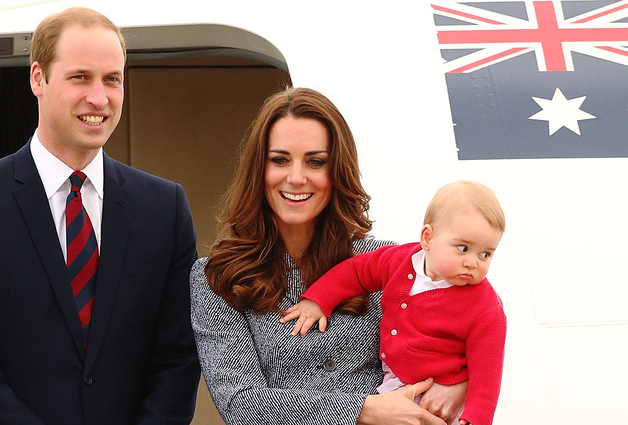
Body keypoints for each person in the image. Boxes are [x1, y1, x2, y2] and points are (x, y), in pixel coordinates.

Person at [0, 7, 200, 425]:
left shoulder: (164, 208)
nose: (99, 98)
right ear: (38, 78)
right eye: (80, 77)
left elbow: (178, 359)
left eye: (112, 79)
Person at [190, 87, 467, 425]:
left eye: (315, 161)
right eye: (279, 160)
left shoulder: (388, 262)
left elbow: (454, 337)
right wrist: (363, 411)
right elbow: (241, 404)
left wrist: (460, 383)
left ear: (337, 171)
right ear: (258, 170)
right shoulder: (217, 277)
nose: (295, 178)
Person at [282, 180, 507, 425]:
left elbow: (488, 373)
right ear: (428, 238)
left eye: (486, 254)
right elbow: (358, 272)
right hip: (394, 383)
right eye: (463, 248)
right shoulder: (399, 261)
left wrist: (474, 419)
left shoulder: (485, 307)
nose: (473, 263)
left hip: (435, 396)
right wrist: (319, 299)